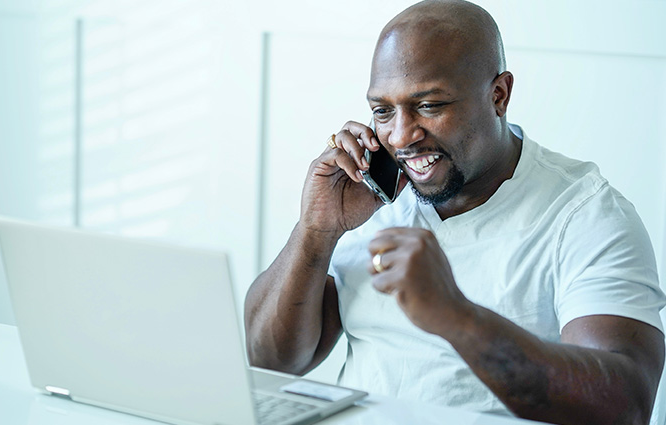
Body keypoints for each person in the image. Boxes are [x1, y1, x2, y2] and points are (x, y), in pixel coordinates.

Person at [244, 1, 666, 423]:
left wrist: (454, 315)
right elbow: (270, 362)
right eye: (383, 111)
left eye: (429, 105)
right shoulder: (367, 198)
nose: (401, 136)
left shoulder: (585, 214)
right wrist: (317, 230)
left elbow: (625, 406)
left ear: (498, 95)